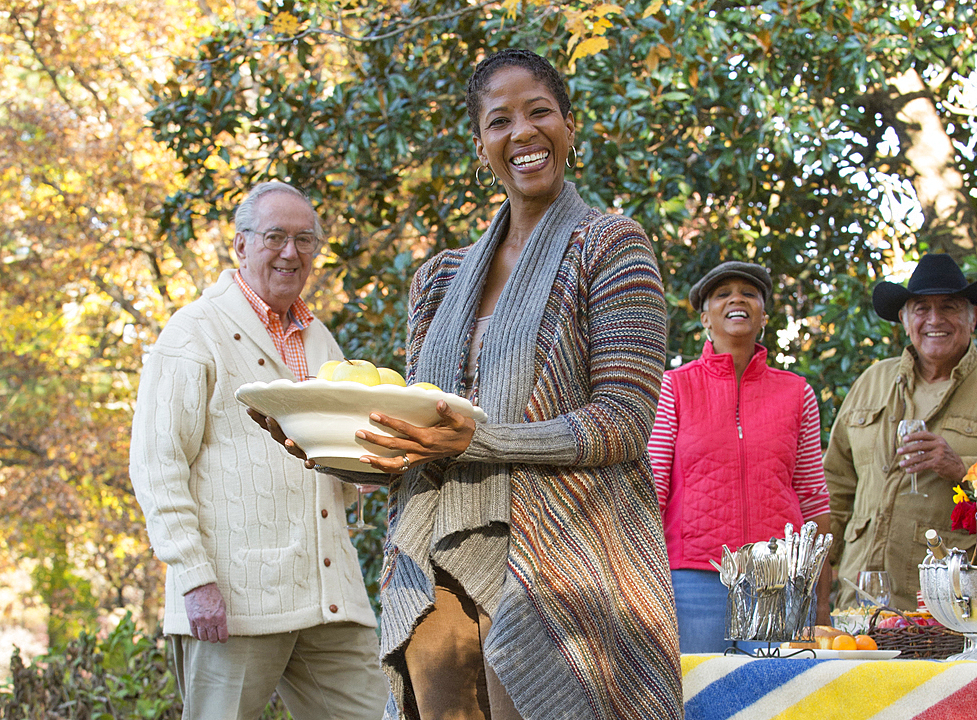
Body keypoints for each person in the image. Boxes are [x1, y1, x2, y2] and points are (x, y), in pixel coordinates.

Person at [254, 49, 681, 720]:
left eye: (539, 112)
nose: (522, 133)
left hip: (559, 573)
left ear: (570, 124)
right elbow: (419, 435)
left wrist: (475, 439)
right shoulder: (439, 279)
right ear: (481, 142)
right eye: (499, 120)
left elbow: (624, 423)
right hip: (434, 567)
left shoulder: (610, 244)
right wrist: (333, 446)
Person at [128, 181, 387, 720]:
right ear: (241, 246)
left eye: (305, 239)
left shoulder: (321, 342)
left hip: (330, 597)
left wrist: (367, 468)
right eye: (275, 237)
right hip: (233, 601)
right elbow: (156, 465)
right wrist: (195, 579)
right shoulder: (193, 333)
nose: (291, 252)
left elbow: (330, 461)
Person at [647, 261, 832, 653]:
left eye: (749, 293)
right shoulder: (674, 387)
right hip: (693, 580)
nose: (737, 299)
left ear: (763, 315)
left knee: (781, 706)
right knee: (698, 705)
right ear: (705, 318)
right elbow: (653, 488)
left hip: (781, 579)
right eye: (722, 293)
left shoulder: (798, 393)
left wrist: (822, 598)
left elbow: (814, 497)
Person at [826, 253, 977, 611]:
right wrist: (818, 587)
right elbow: (834, 488)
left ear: (973, 318)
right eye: (921, 308)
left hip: (950, 609)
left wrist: (962, 471)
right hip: (857, 603)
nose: (934, 319)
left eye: (950, 307)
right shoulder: (872, 381)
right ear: (905, 320)